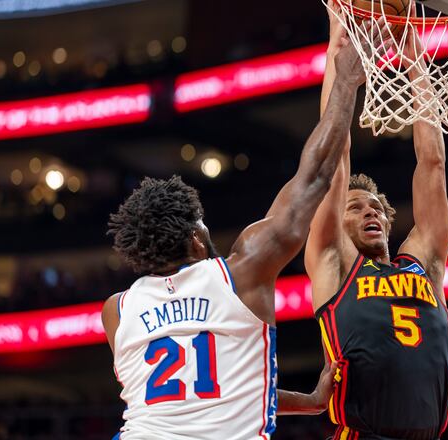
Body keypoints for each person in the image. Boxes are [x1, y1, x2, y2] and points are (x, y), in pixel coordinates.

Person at [101, 29, 367, 440]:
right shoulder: (241, 273)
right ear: (194, 238)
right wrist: (346, 81)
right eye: (203, 224)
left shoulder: (117, 310)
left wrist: (312, 402)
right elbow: (314, 177)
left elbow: (200, 394)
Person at [304, 7, 448, 439]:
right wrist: (337, 50)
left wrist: (414, 63)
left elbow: (433, 165)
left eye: (375, 207)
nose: (369, 211)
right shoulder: (337, 263)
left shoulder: (423, 264)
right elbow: (333, 161)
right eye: (355, 208)